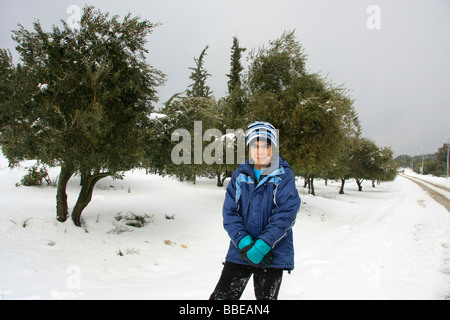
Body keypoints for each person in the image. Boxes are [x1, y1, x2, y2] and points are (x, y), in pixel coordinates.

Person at [210, 121, 301, 300]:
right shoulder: (240, 176)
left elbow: (286, 213)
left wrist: (263, 245)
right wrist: (244, 243)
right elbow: (229, 213)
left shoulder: (283, 175)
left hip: (272, 253)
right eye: (255, 146)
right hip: (240, 251)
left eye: (266, 146)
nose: (260, 152)